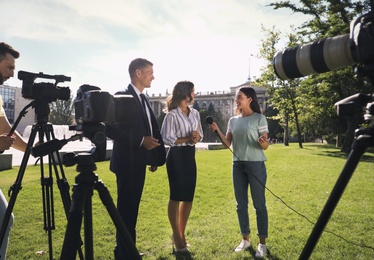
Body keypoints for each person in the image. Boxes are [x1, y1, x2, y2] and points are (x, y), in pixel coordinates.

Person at [106, 58, 166, 259]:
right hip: (127, 165)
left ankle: (126, 249)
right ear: (138, 73)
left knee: (131, 211)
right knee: (126, 211)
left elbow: (148, 128)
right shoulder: (122, 96)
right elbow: (112, 129)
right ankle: (124, 253)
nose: (153, 76)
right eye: (150, 72)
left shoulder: (143, 97)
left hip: (138, 163)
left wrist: (152, 157)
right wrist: (142, 141)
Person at [209, 87, 269, 258]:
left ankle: (262, 244)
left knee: (259, 205)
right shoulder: (233, 121)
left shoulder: (260, 118)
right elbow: (227, 144)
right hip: (238, 166)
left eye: (239, 97)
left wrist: (262, 141)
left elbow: (266, 145)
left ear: (249, 99)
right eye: (236, 98)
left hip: (256, 165)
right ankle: (246, 239)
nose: (236, 100)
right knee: (240, 205)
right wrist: (217, 130)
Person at [0, 41, 27, 260]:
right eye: (9, 67)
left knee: (3, 219)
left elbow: (4, 129)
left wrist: (30, 149)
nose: (12, 73)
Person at [160, 81, 202, 253]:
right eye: (193, 91)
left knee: (188, 197)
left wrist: (196, 137)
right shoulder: (171, 116)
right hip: (176, 157)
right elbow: (166, 139)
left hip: (190, 156)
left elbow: (200, 134)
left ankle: (181, 234)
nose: (195, 94)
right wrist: (187, 138)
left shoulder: (196, 114)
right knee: (176, 196)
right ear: (186, 94)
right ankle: (176, 236)